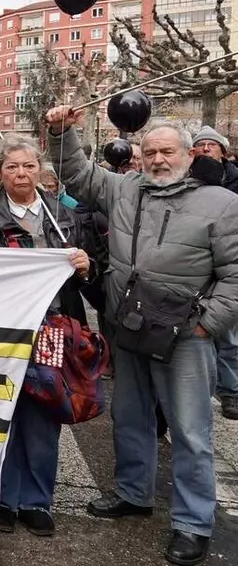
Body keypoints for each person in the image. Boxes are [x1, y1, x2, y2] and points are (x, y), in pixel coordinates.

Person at [47, 106, 238, 566]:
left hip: (185, 337)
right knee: (130, 416)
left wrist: (207, 324)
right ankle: (133, 493)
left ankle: (193, 523)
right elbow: (76, 174)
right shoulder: (125, 188)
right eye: (150, 151)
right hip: (128, 326)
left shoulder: (222, 203)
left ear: (188, 155)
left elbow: (235, 275)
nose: (157, 159)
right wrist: (61, 131)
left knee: (190, 431)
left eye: (167, 151)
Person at [0, 135, 96, 537]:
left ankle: (36, 499)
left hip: (51, 330)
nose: (21, 173)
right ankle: (0, 497)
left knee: (43, 414)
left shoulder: (65, 216)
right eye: (12, 167)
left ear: (41, 169)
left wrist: (85, 268)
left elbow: (91, 277)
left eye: (29, 166)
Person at [191, 126, 238, 420]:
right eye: (201, 144)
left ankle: (231, 391)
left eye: (212, 144)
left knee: (229, 335)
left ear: (223, 150)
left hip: (227, 267)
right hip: (197, 271)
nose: (206, 148)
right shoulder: (187, 181)